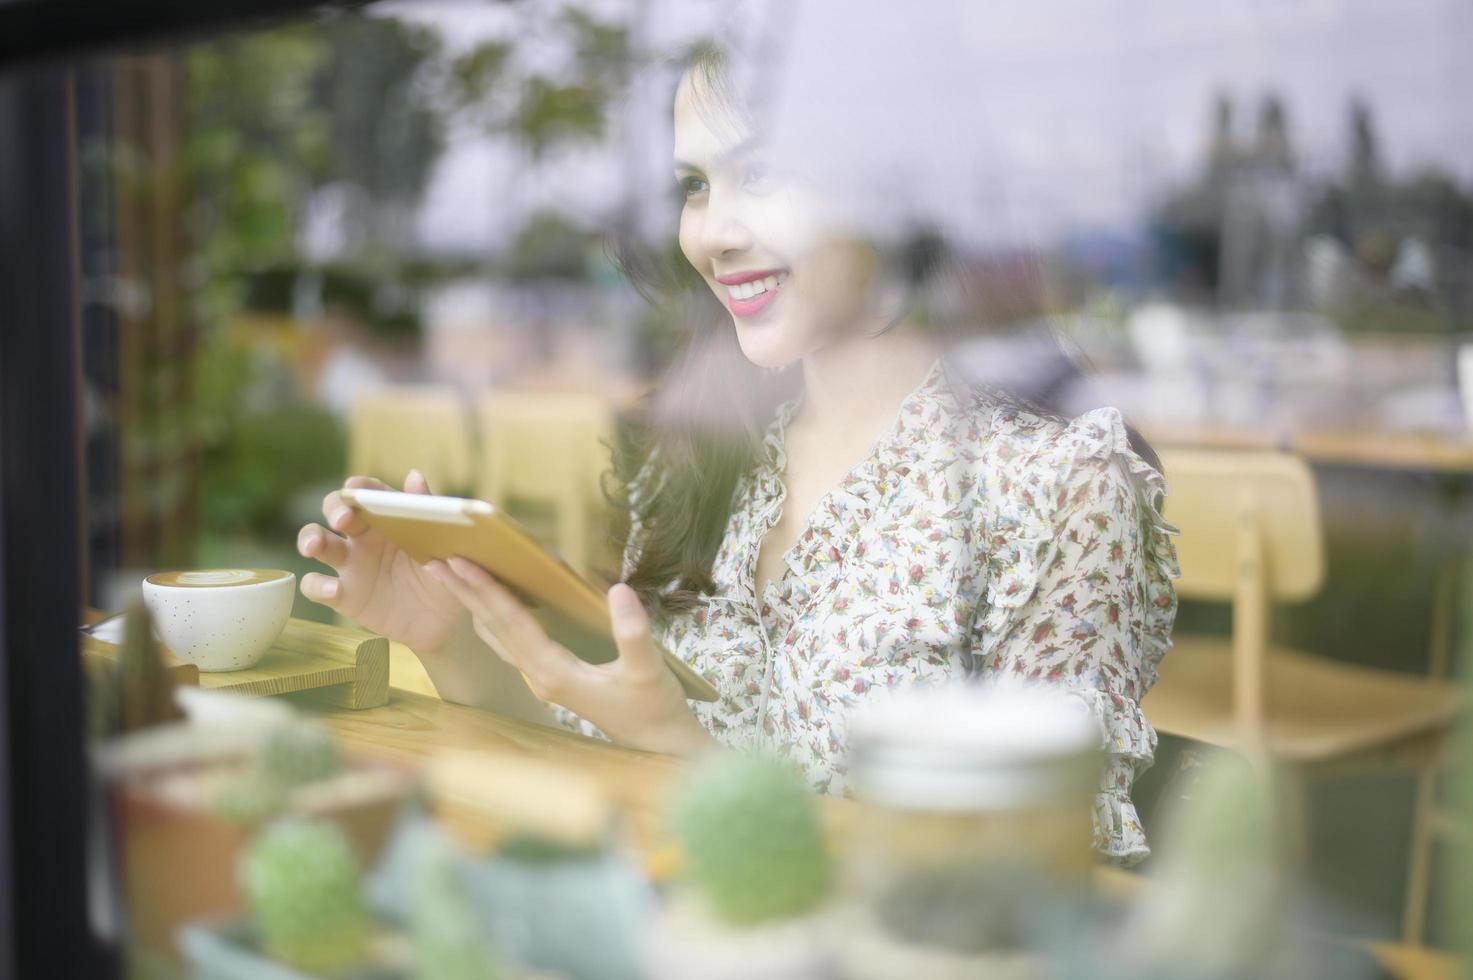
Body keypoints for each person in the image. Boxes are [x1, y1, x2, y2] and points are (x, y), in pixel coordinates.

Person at [296, 47, 1179, 865]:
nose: (712, 233)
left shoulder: (1059, 487)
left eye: (757, 172)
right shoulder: (702, 459)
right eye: (694, 184)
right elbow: (616, 766)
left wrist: (687, 751)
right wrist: (452, 643)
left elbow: (1035, 879)